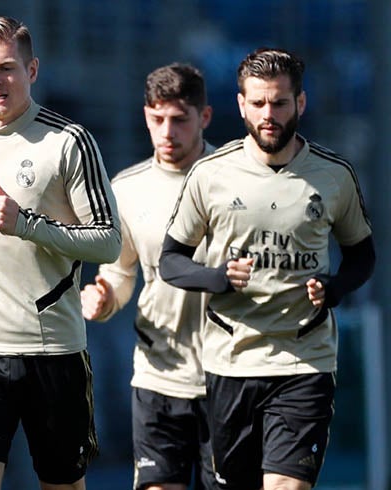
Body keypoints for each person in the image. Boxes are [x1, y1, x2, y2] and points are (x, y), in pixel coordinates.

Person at [159, 47, 375, 490]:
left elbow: (362, 255)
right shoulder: (210, 174)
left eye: (279, 102)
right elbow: (170, 261)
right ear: (241, 105)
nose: (268, 114)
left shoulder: (334, 176)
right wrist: (218, 278)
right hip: (231, 362)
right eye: (257, 103)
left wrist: (334, 290)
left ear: (300, 103)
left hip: (304, 361)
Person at [0, 13, 121, 490]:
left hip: (52, 348)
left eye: (7, 67)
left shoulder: (68, 143)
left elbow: (108, 241)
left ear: (32, 71)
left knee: (62, 484)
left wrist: (26, 225)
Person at [80, 63, 216, 490]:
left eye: (179, 120)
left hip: (230, 374)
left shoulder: (236, 181)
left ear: (204, 118)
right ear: (146, 116)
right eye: (157, 119)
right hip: (158, 374)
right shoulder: (127, 188)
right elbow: (120, 272)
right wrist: (104, 298)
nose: (167, 132)